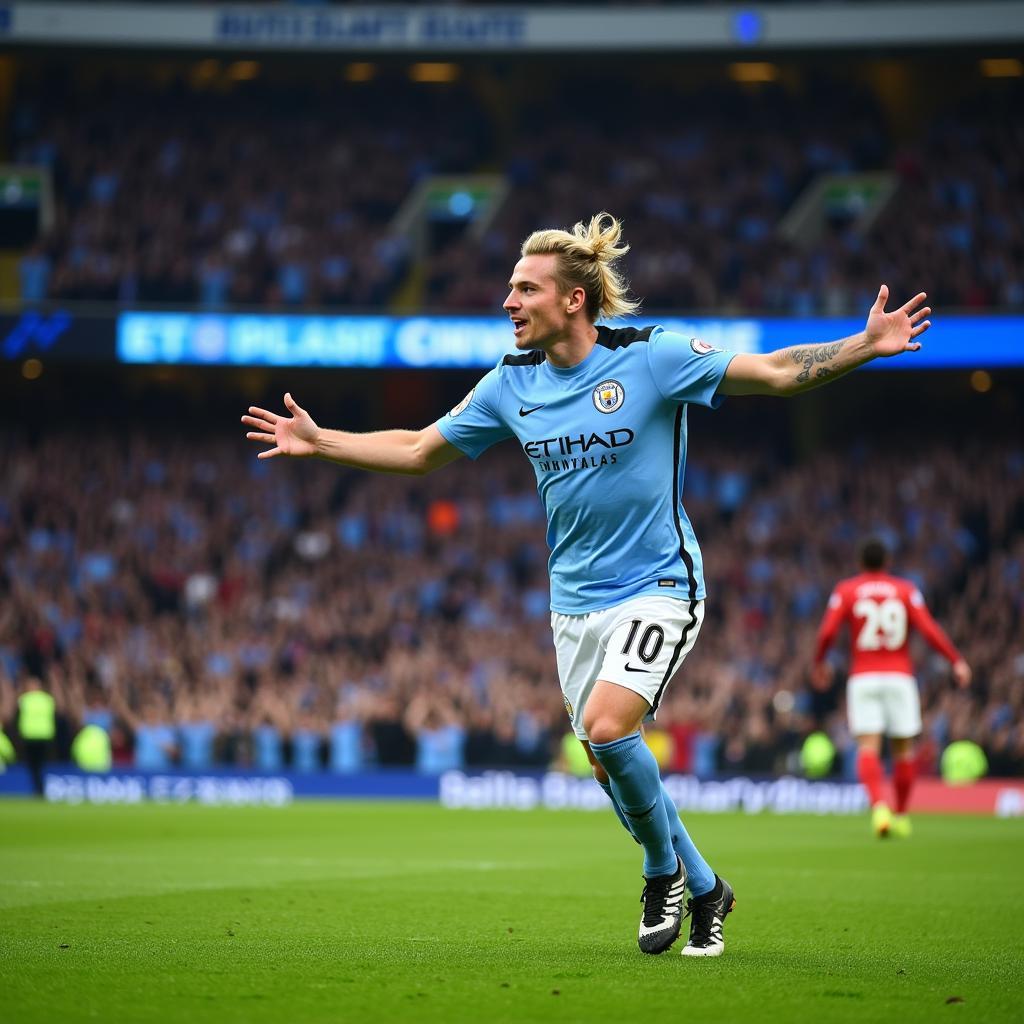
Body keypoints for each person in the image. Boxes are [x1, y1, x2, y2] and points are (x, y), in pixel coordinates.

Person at [242, 212, 932, 957]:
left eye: (524, 288)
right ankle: (707, 888)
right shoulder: (511, 384)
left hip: (660, 582)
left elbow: (770, 373)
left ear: (573, 299)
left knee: (607, 729)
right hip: (572, 603)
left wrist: (863, 346)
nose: (508, 301)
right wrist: (321, 442)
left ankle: (661, 871)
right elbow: (417, 450)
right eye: (509, 287)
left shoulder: (652, 357)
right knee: (608, 764)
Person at [812, 537, 971, 837]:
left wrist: (819, 662)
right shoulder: (905, 590)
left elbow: (828, 631)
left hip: (864, 677)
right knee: (903, 750)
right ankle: (901, 815)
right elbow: (929, 628)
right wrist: (956, 660)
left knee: (868, 747)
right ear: (887, 563)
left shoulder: (847, 590)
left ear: (860, 564)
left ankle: (879, 809)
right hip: (900, 677)